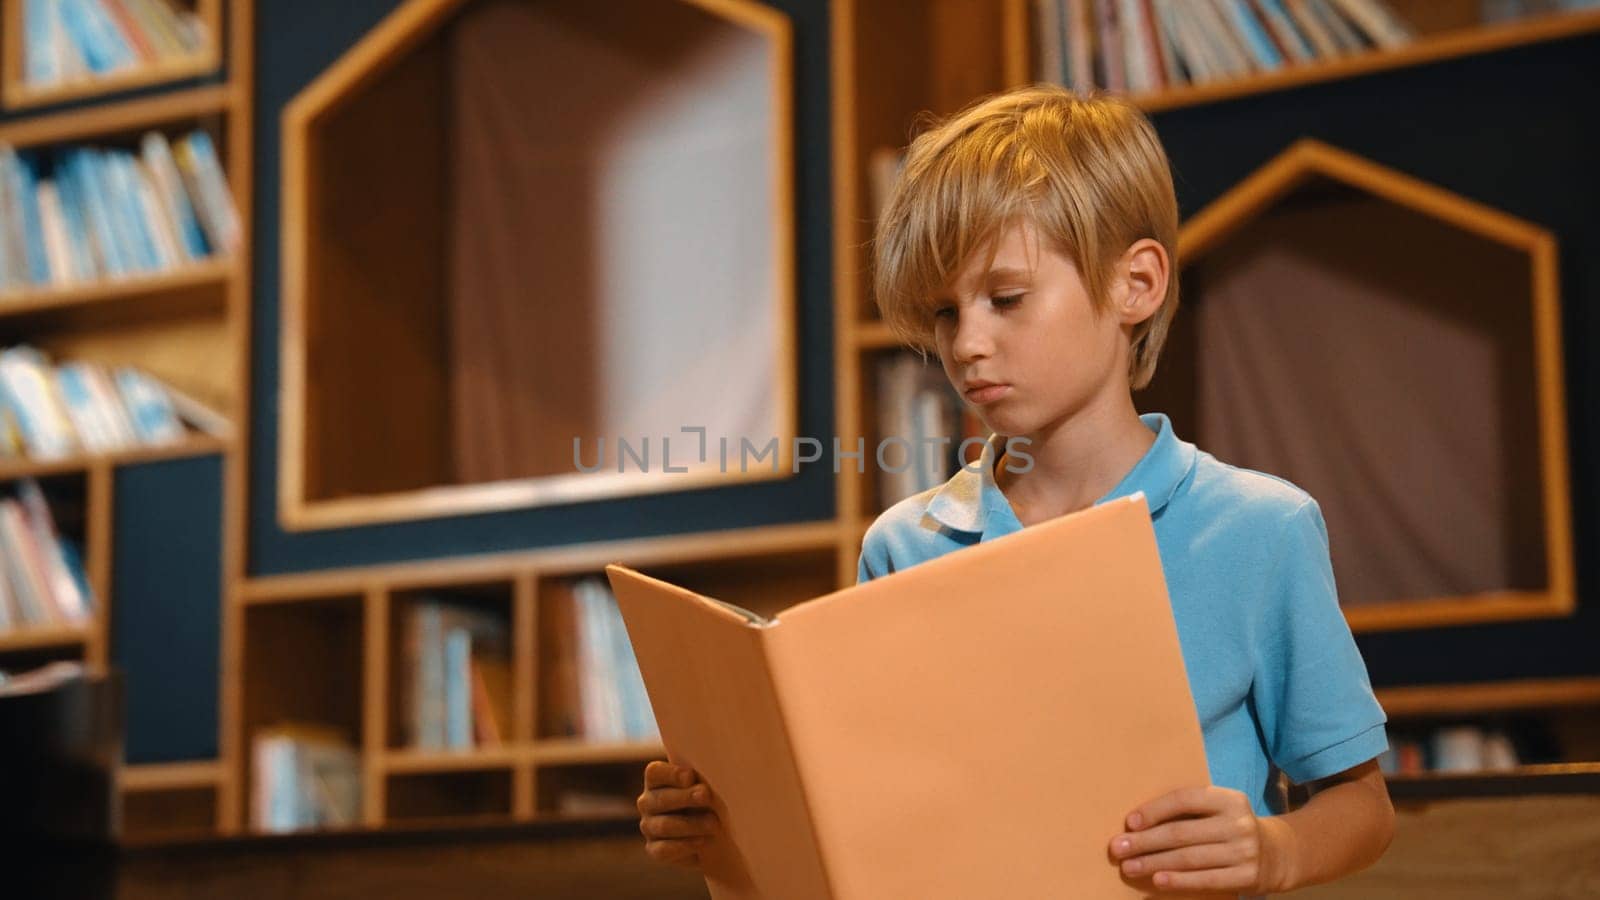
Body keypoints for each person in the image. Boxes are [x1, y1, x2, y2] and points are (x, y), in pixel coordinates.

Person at [637, 84, 1394, 896]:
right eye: (942, 313)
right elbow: (871, 818)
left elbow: (1362, 804)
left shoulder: (1260, 530)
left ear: (1135, 285)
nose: (967, 344)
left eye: (1006, 299)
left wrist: (1274, 850)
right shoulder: (903, 545)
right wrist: (724, 826)